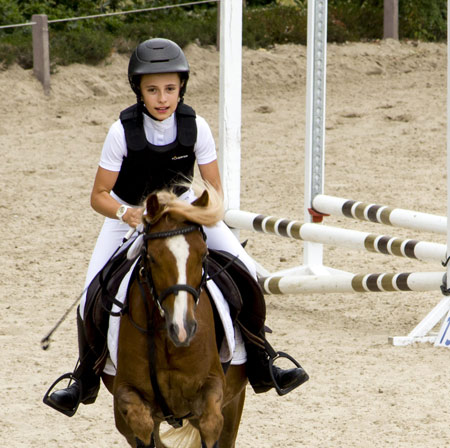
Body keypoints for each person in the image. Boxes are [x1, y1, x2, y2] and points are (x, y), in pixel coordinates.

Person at [44, 38, 308, 417]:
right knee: (92, 294)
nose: (162, 98)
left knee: (247, 272)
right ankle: (84, 378)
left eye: (169, 88)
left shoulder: (196, 127)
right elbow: (99, 196)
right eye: (152, 89)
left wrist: (195, 211)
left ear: (181, 87)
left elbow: (214, 190)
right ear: (139, 90)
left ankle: (264, 359)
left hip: (183, 211)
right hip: (131, 214)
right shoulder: (121, 131)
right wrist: (127, 214)